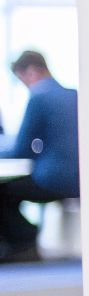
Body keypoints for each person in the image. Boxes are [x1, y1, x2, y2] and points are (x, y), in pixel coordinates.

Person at [0, 50, 80, 263]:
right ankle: (25, 240)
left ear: (32, 71)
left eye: (22, 79)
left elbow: (21, 150)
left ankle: (23, 242)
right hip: (80, 178)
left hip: (52, 179)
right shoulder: (74, 95)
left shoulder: (39, 97)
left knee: (3, 191)